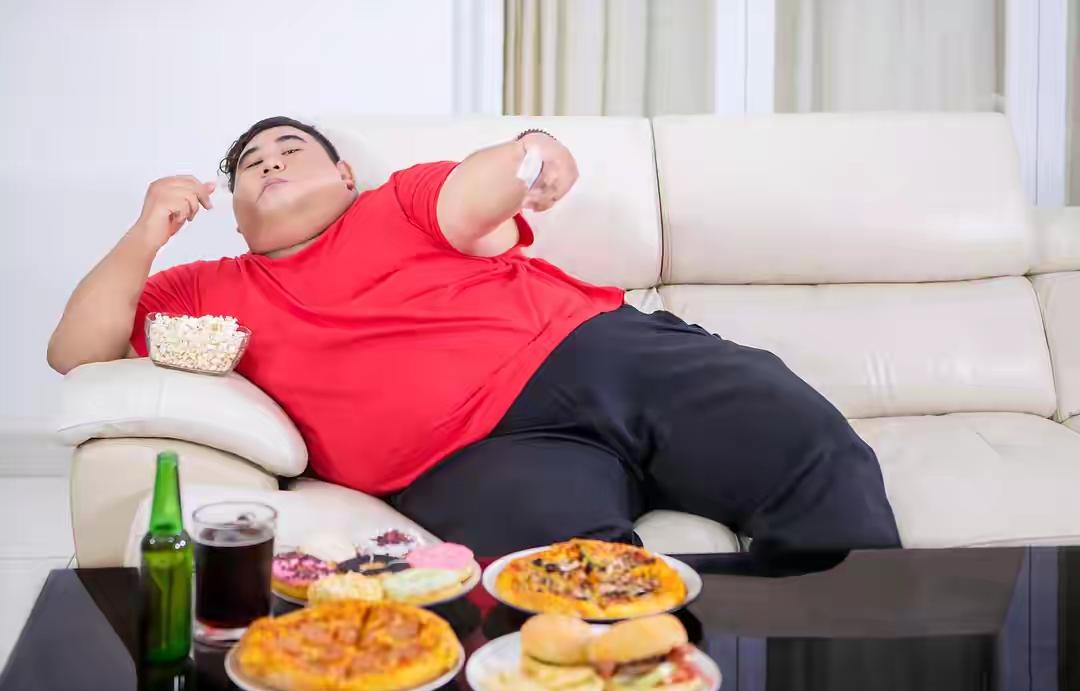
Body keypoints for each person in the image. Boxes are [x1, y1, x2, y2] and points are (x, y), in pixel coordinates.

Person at [47, 116, 900, 558]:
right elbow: (76, 353)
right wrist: (146, 234)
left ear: (344, 174)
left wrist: (533, 150)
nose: (267, 162)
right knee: (561, 601)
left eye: (289, 148)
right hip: (467, 458)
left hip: (602, 356)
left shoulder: (396, 202)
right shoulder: (209, 287)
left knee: (809, 447)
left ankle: (842, 661)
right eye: (248, 165)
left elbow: (478, 187)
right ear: (235, 211)